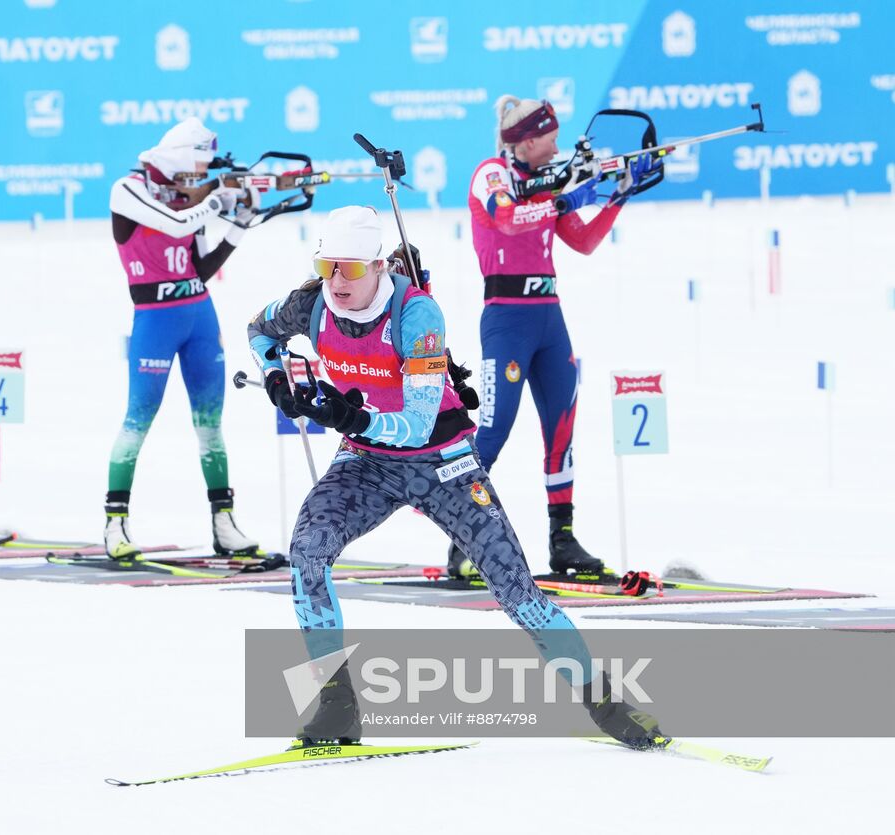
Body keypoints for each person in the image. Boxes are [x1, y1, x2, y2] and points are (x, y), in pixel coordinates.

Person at [247, 206, 661, 749]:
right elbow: (259, 331)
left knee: (517, 592)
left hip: (442, 461)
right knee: (307, 552)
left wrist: (348, 416)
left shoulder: (417, 315)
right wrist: (277, 378)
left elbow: (415, 427)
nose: (336, 283)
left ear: (379, 267)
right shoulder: (310, 303)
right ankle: (338, 705)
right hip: (366, 462)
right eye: (327, 267)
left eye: (348, 270)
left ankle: (605, 704)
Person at [453, 96, 658, 579]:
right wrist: (567, 197)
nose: (557, 144)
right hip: (506, 320)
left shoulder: (548, 185)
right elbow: (506, 218)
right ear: (526, 140)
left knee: (561, 428)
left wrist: (617, 195)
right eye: (550, 136)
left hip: (549, 318)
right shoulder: (492, 175)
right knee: (494, 430)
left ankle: (562, 539)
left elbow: (582, 242)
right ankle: (461, 534)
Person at [102, 117, 261, 559]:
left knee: (211, 426)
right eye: (195, 169)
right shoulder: (128, 188)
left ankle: (224, 522)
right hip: (155, 320)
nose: (197, 179)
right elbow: (174, 224)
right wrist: (218, 199)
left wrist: (240, 222)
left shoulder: (188, 198)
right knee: (138, 419)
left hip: (200, 317)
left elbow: (201, 269)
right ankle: (116, 523)